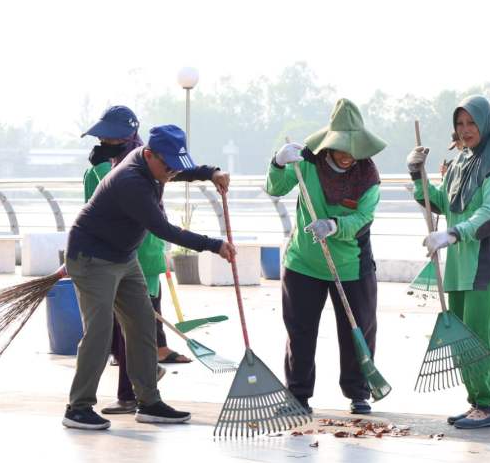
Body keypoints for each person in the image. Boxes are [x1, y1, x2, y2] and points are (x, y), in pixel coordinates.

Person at [63, 123, 235, 430]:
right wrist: (214, 245)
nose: (171, 173)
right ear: (150, 154)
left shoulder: (157, 166)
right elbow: (165, 230)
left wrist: (211, 172)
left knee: (144, 326)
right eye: (167, 166)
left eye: (174, 167)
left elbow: (182, 170)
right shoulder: (131, 181)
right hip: (91, 257)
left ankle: (149, 402)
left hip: (124, 257)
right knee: (100, 333)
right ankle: (78, 407)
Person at [266, 98, 386, 415]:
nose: (348, 156)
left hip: (352, 265)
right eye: (342, 148)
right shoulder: (306, 161)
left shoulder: (369, 177)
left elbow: (363, 219)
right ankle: (298, 395)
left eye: (354, 149)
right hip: (304, 263)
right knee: (301, 332)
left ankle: (359, 392)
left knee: (357, 329)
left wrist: (335, 225)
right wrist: (278, 163)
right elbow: (275, 188)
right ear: (329, 145)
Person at [406, 94, 490, 429]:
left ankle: (486, 405)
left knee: (480, 337)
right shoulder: (459, 164)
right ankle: (475, 404)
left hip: (486, 265)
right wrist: (415, 174)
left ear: (487, 125)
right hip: (458, 265)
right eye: (460, 124)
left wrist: (453, 234)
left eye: (472, 123)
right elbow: (439, 201)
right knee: (462, 339)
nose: (465, 130)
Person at [79, 106, 191, 417]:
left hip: (129, 258)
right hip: (135, 256)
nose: (103, 140)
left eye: (108, 135)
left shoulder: (111, 170)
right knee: (133, 329)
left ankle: (134, 393)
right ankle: (141, 386)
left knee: (126, 331)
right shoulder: (144, 163)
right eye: (101, 135)